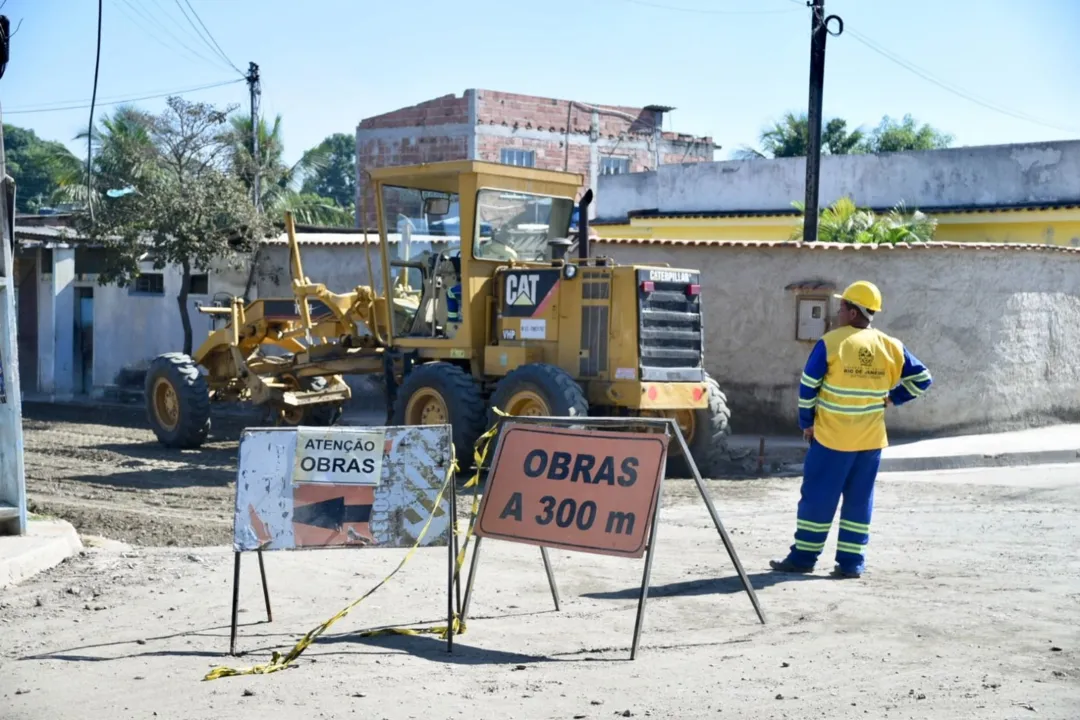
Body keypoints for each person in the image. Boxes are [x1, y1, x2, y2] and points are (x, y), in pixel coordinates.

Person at [769, 280, 932, 579]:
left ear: (854, 312)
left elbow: (808, 388)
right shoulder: (891, 346)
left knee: (818, 498)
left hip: (832, 438)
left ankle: (804, 558)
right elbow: (923, 378)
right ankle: (851, 563)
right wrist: (894, 398)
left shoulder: (831, 343)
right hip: (869, 442)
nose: (838, 311)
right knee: (859, 501)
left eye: (842, 306)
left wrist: (807, 423)